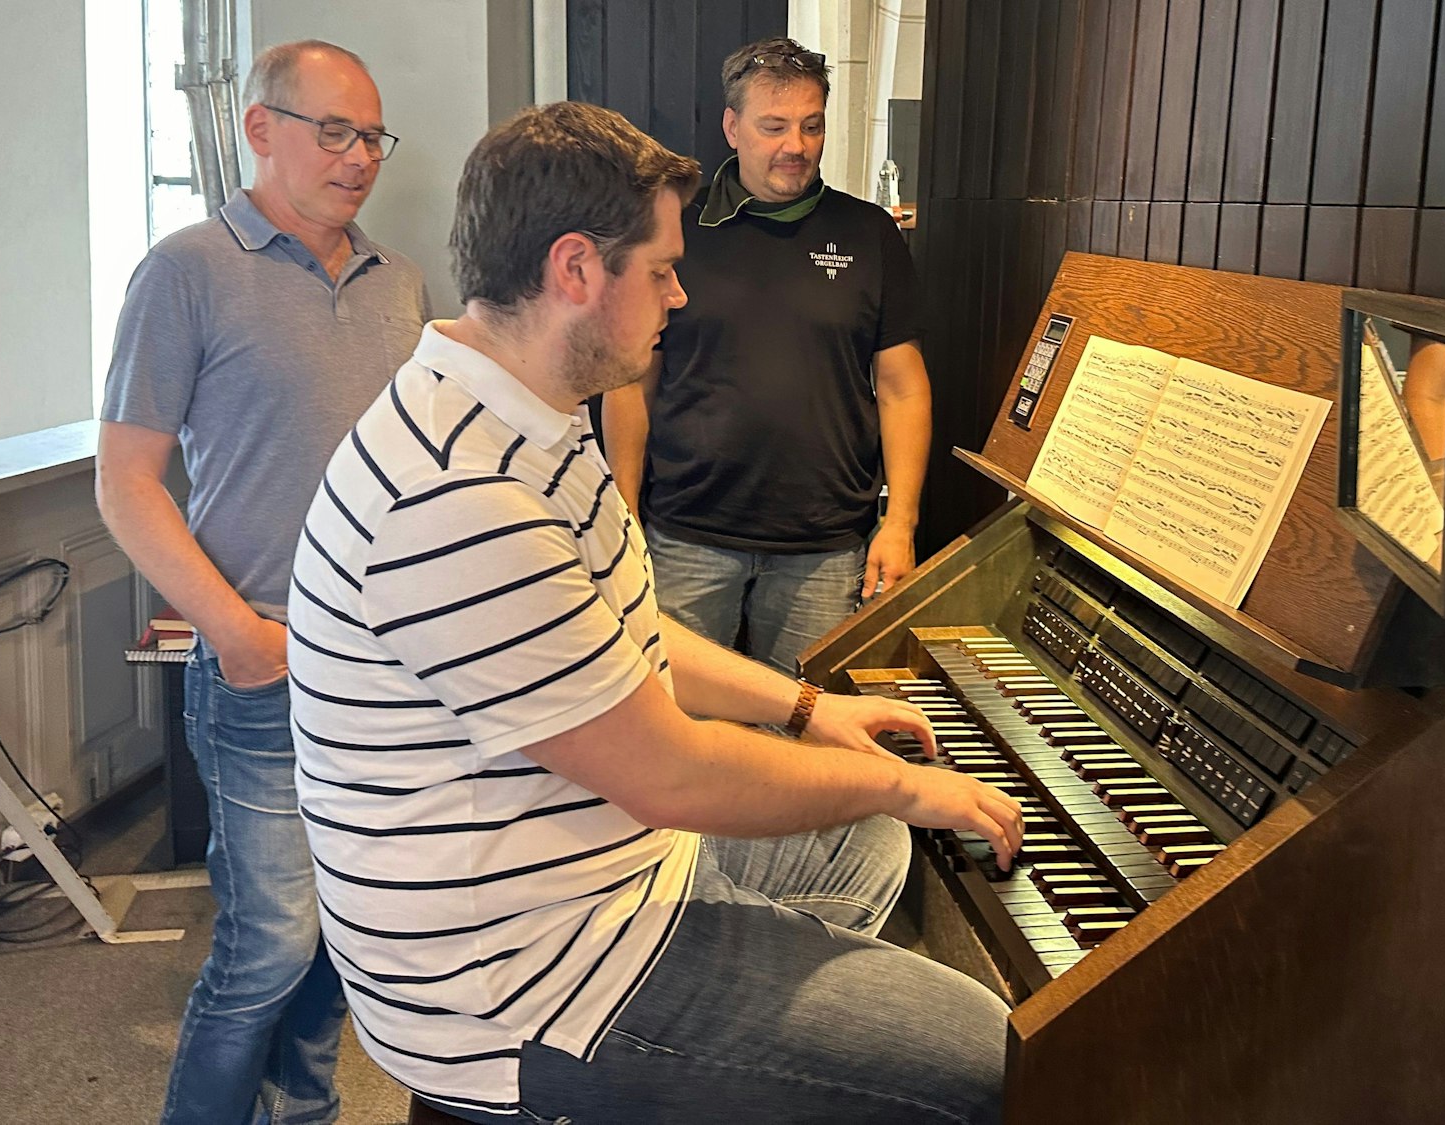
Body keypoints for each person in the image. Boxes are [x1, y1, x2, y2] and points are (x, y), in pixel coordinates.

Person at [288, 101, 1016, 1124]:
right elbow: (670, 773)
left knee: (859, 845)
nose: (680, 294)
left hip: (593, 864)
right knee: (993, 1060)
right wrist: (904, 783)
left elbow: (615, 629)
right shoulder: (461, 494)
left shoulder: (525, 412)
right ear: (576, 269)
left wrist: (807, 709)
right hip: (517, 977)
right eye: (664, 270)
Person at [95, 39, 427, 1125]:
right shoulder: (186, 270)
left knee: (348, 938)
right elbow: (126, 484)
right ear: (259, 128)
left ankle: (304, 1112)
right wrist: (235, 634)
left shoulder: (400, 284)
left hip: (385, 676)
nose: (359, 157)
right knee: (269, 945)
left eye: (371, 136)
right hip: (265, 663)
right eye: (333, 132)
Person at [601, 37, 933, 677]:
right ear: (733, 128)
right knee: (675, 713)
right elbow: (632, 379)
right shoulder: (675, 228)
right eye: (773, 127)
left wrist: (900, 522)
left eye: (812, 126)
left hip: (825, 545)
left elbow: (903, 388)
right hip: (686, 535)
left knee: (806, 723)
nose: (796, 146)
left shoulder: (869, 233)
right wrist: (623, 508)